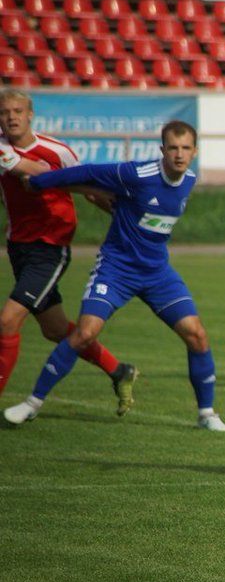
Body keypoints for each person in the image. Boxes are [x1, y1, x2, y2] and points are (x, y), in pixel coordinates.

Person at [4, 121, 225, 431]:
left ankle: (207, 414)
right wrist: (42, 182)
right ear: (162, 150)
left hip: (157, 273)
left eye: (185, 148)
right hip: (117, 269)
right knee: (84, 333)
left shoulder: (189, 180)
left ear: (195, 151)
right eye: (173, 148)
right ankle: (32, 404)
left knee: (197, 335)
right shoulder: (137, 174)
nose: (179, 154)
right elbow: (88, 173)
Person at [0, 88, 137, 414]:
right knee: (55, 329)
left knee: (7, 322)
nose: (12, 117)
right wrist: (75, 182)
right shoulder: (2, 148)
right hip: (18, 246)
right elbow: (33, 173)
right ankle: (120, 371)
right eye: (5, 112)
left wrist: (124, 219)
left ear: (30, 114)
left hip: (50, 248)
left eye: (18, 111)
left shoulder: (56, 150)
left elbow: (90, 190)